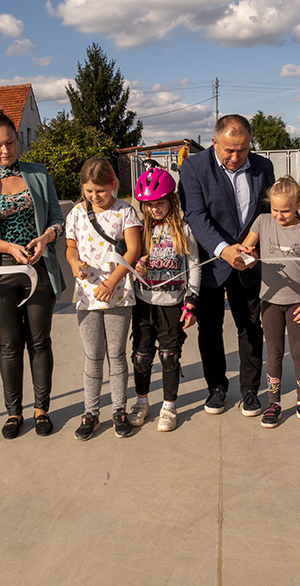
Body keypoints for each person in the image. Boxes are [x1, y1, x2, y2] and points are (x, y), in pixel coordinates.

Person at [0, 102, 66, 440]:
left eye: (10, 142)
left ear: (17, 139)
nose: (5, 150)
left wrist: (46, 238)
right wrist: (8, 248)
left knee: (40, 341)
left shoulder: (38, 173)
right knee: (9, 344)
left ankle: (42, 408)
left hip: (38, 268)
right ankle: (14, 412)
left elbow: (56, 220)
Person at [179, 114, 275, 416]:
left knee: (250, 327)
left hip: (249, 263)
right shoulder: (194, 167)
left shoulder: (263, 167)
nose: (236, 157)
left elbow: (266, 213)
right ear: (214, 142)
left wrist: (256, 246)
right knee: (210, 329)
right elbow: (195, 215)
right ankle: (216, 388)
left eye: (243, 150)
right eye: (229, 150)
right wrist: (223, 250)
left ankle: (250, 390)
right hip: (212, 263)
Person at [238, 175, 300, 428]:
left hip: (299, 303)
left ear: (298, 204)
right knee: (274, 352)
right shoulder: (263, 222)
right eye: (275, 209)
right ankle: (274, 403)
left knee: (299, 352)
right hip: (271, 302)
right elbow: (245, 254)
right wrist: (250, 257)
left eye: (285, 211)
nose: (279, 215)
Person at [65, 157, 142, 440]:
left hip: (117, 294)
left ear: (113, 185)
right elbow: (71, 248)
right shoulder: (76, 213)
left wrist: (112, 282)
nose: (95, 196)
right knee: (93, 356)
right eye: (88, 191)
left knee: (117, 355)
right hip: (86, 296)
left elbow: (132, 250)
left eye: (100, 190)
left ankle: (119, 410)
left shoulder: (126, 212)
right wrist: (74, 263)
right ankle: (91, 412)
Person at [130, 168, 201, 432]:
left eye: (159, 202)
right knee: (141, 356)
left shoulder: (185, 229)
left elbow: (195, 266)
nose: (154, 209)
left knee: (169, 356)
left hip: (173, 304)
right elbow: (131, 260)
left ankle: (169, 406)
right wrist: (137, 268)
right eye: (148, 205)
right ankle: (141, 401)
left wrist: (192, 300)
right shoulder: (140, 230)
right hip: (144, 303)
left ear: (172, 199)